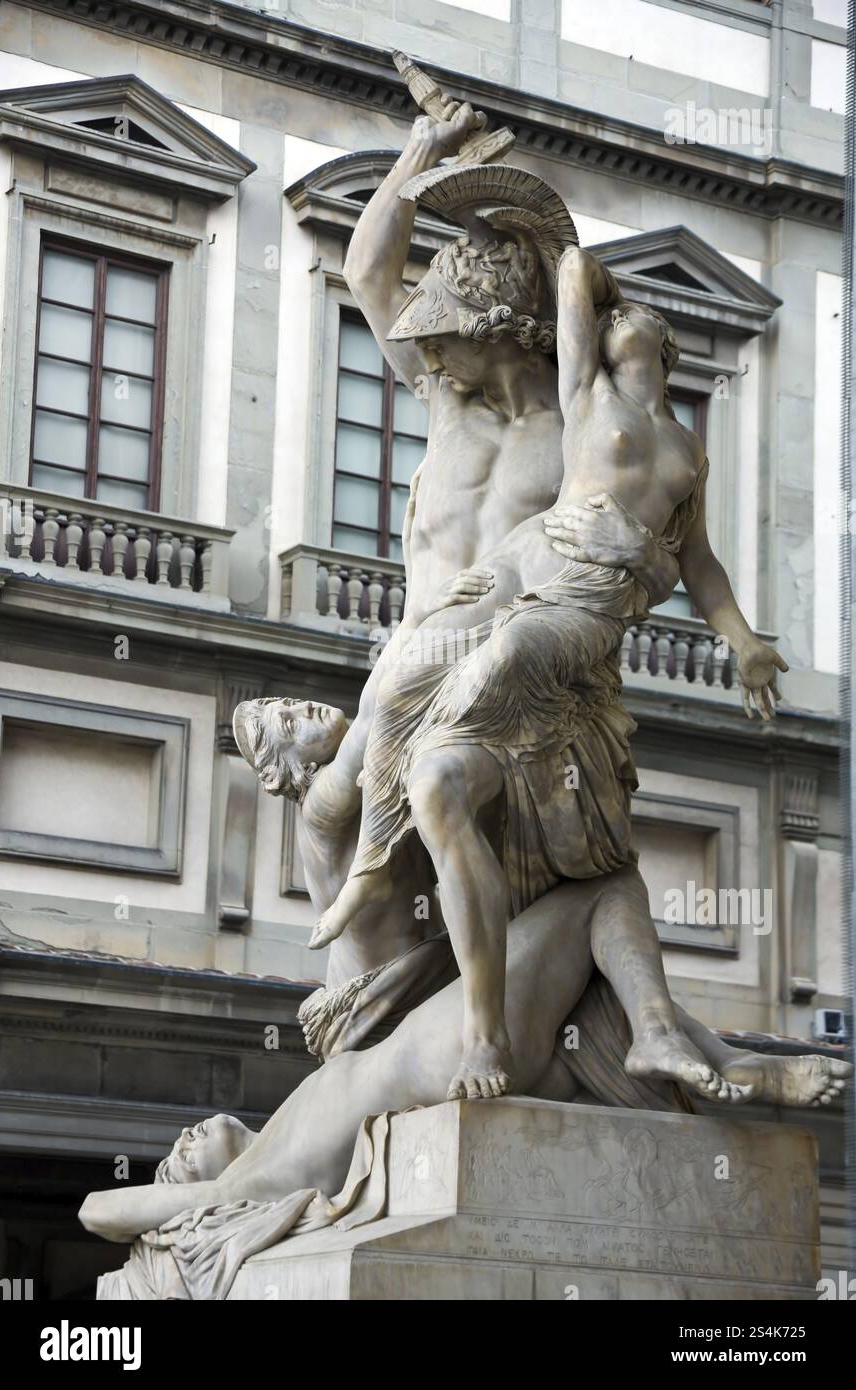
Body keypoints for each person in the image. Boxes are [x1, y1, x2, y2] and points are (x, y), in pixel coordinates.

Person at [310, 242, 788, 1107]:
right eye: (619, 323)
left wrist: (744, 640)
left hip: (578, 615)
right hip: (534, 567)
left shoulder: (685, 449)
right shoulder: (586, 398)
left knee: (498, 664)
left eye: (642, 324)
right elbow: (569, 269)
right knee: (408, 675)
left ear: (664, 353)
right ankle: (373, 864)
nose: (630, 324)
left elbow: (704, 562)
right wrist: (580, 277)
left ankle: (671, 1044)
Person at [80, 858, 851, 1247]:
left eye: (177, 1145)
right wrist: (179, 1205)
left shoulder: (284, 1115)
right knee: (600, 893)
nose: (181, 1145)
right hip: (458, 1050)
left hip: (477, 1058)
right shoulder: (256, 1181)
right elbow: (95, 1208)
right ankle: (674, 1045)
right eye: (180, 1161)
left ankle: (721, 1060)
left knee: (591, 990)